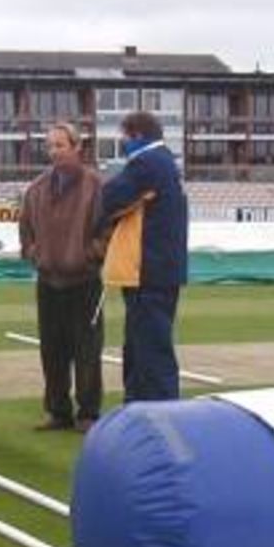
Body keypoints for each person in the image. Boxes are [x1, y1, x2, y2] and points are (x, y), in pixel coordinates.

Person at [19, 122, 106, 433]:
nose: (54, 151)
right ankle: (58, 411)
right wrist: (34, 253)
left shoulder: (96, 185)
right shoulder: (37, 188)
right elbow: (25, 229)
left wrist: (90, 254)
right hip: (48, 280)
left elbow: (107, 230)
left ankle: (88, 413)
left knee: (87, 350)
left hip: (84, 281)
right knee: (52, 350)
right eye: (51, 146)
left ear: (77, 147)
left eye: (60, 145)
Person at [99, 110, 189, 401]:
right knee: (142, 346)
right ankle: (142, 408)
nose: (123, 143)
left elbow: (110, 199)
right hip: (160, 268)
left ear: (137, 135)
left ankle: (157, 412)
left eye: (124, 137)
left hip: (148, 269)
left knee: (149, 349)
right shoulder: (165, 162)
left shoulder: (147, 163)